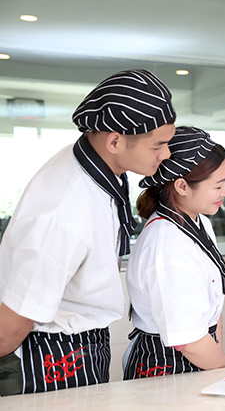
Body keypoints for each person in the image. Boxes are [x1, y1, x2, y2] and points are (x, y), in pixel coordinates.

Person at [0, 69, 176, 395]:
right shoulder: (63, 211)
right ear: (115, 140)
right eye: (158, 145)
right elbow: (11, 324)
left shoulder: (97, 165)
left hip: (82, 344)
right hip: (46, 356)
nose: (165, 154)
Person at [123, 126, 225, 380]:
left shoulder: (198, 221)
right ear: (182, 186)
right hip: (168, 366)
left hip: (203, 355)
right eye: (218, 185)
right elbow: (189, 341)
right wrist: (223, 363)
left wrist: (216, 356)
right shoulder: (167, 245)